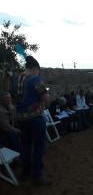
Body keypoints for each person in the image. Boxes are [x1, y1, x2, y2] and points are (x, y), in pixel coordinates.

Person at [16, 56, 50, 186]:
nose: (39, 73)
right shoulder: (35, 78)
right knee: (39, 147)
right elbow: (46, 98)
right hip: (34, 117)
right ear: (35, 68)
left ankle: (25, 173)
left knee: (25, 146)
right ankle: (36, 176)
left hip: (20, 118)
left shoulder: (18, 78)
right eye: (38, 71)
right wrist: (46, 94)